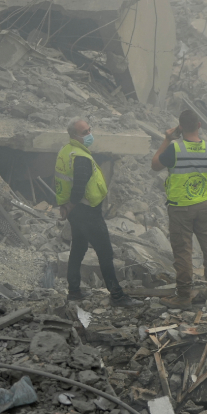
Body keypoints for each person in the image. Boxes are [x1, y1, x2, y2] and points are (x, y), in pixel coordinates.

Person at [55, 118, 142, 307]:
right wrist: (69, 206)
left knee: (78, 249)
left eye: (89, 130)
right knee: (105, 253)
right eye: (84, 132)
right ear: (74, 135)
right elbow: (78, 188)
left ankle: (74, 292)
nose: (89, 135)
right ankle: (118, 296)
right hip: (87, 212)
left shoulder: (66, 151)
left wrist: (65, 206)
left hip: (77, 212)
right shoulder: (81, 158)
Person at [151, 110, 207, 309]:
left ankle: (183, 296)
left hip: (180, 208)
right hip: (204, 206)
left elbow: (155, 165)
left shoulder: (175, 148)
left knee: (183, 251)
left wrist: (167, 139)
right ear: (199, 125)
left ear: (180, 127)